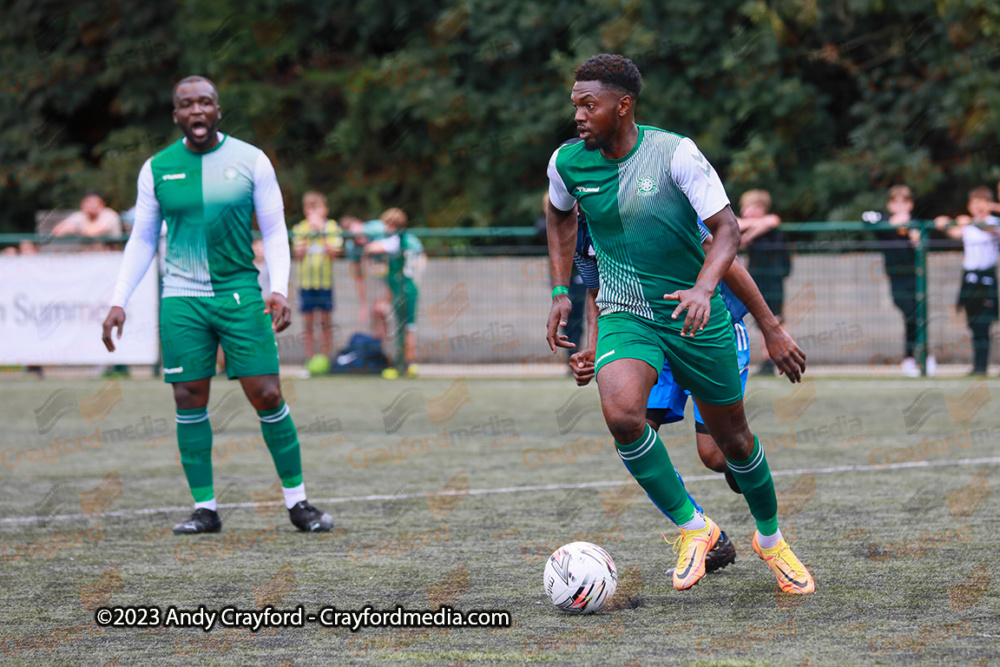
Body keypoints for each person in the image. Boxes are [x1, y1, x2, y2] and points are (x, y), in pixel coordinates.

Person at [545, 54, 814, 594]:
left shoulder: (675, 154)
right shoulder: (568, 163)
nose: (577, 115)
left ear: (623, 106)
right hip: (628, 313)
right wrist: (559, 295)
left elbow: (728, 233)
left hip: (697, 317)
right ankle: (698, 529)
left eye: (588, 104)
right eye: (574, 104)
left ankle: (770, 539)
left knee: (731, 445)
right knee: (623, 415)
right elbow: (558, 216)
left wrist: (716, 296)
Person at [100, 76, 334, 534]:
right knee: (189, 398)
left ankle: (298, 503)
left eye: (205, 102)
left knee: (267, 393)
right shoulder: (157, 168)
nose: (197, 111)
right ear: (176, 115)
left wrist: (279, 288)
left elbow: (275, 231)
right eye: (186, 105)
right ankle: (204, 509)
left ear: (218, 110)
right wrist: (118, 300)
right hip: (182, 300)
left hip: (240, 294)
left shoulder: (251, 160)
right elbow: (142, 240)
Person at [571, 203, 807, 573]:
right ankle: (704, 534)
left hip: (710, 329)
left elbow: (724, 257)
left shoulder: (654, 198)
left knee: (716, 454)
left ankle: (754, 499)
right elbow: (596, 292)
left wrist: (772, 328)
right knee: (632, 429)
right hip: (646, 336)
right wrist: (594, 346)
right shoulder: (582, 228)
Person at [864, 185, 937, 377]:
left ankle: (918, 357)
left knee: (918, 316)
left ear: (910, 204)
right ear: (890, 205)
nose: (900, 206)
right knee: (910, 315)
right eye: (895, 202)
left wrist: (917, 240)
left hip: (917, 278)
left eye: (904, 202)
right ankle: (913, 357)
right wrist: (892, 223)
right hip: (896, 279)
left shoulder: (916, 224)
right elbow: (866, 218)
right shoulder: (885, 223)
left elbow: (926, 244)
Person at [935, 187, 1000, 375]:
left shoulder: (993, 222)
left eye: (982, 202)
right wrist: (944, 224)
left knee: (984, 323)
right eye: (974, 202)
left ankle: (981, 367)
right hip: (969, 278)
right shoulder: (968, 225)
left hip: (986, 278)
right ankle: (977, 366)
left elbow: (990, 229)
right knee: (972, 322)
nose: (977, 206)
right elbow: (953, 232)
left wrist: (976, 219)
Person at [363, 208, 425, 378]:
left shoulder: (396, 240)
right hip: (409, 286)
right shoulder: (412, 240)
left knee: (402, 327)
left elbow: (371, 248)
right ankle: (408, 364)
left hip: (402, 287)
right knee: (410, 326)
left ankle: (402, 364)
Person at [737, 190, 792, 375]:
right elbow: (736, 222)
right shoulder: (753, 224)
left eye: (749, 208)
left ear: (761, 207)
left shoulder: (771, 223)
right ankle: (771, 359)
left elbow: (772, 220)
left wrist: (747, 237)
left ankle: (781, 357)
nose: (744, 212)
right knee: (762, 320)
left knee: (775, 318)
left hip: (772, 277)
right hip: (757, 278)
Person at [292, 191, 343, 362]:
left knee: (326, 322)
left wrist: (320, 231)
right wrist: (309, 234)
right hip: (306, 283)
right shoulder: (300, 228)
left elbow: (334, 252)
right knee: (307, 323)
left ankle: (325, 358)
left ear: (325, 209)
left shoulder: (331, 227)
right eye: (309, 207)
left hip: (324, 283)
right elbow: (298, 254)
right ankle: (309, 359)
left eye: (317, 207)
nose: (313, 212)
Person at [52, 191, 123, 250]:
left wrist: (75, 228)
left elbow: (95, 231)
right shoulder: (80, 215)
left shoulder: (109, 214)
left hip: (111, 258)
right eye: (87, 202)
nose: (90, 205)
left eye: (94, 202)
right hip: (85, 259)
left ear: (102, 204)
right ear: (82, 204)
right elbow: (57, 230)